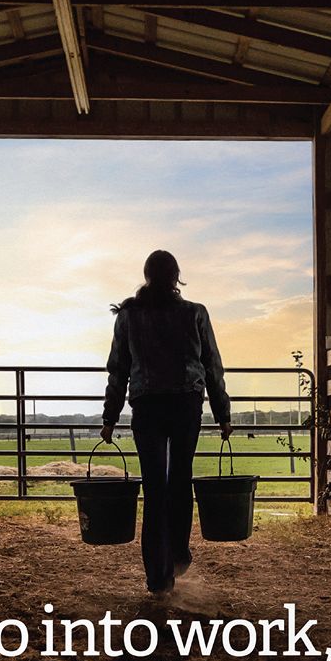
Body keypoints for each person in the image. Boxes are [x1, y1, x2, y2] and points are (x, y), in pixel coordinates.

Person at [100, 250, 233, 595]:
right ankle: (177, 554)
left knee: (154, 486)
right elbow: (212, 365)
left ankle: (157, 576)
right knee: (180, 479)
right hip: (186, 404)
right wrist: (222, 414)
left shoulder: (129, 316)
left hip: (146, 405)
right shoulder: (194, 314)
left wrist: (110, 418)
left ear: (146, 276)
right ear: (177, 278)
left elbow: (119, 369)